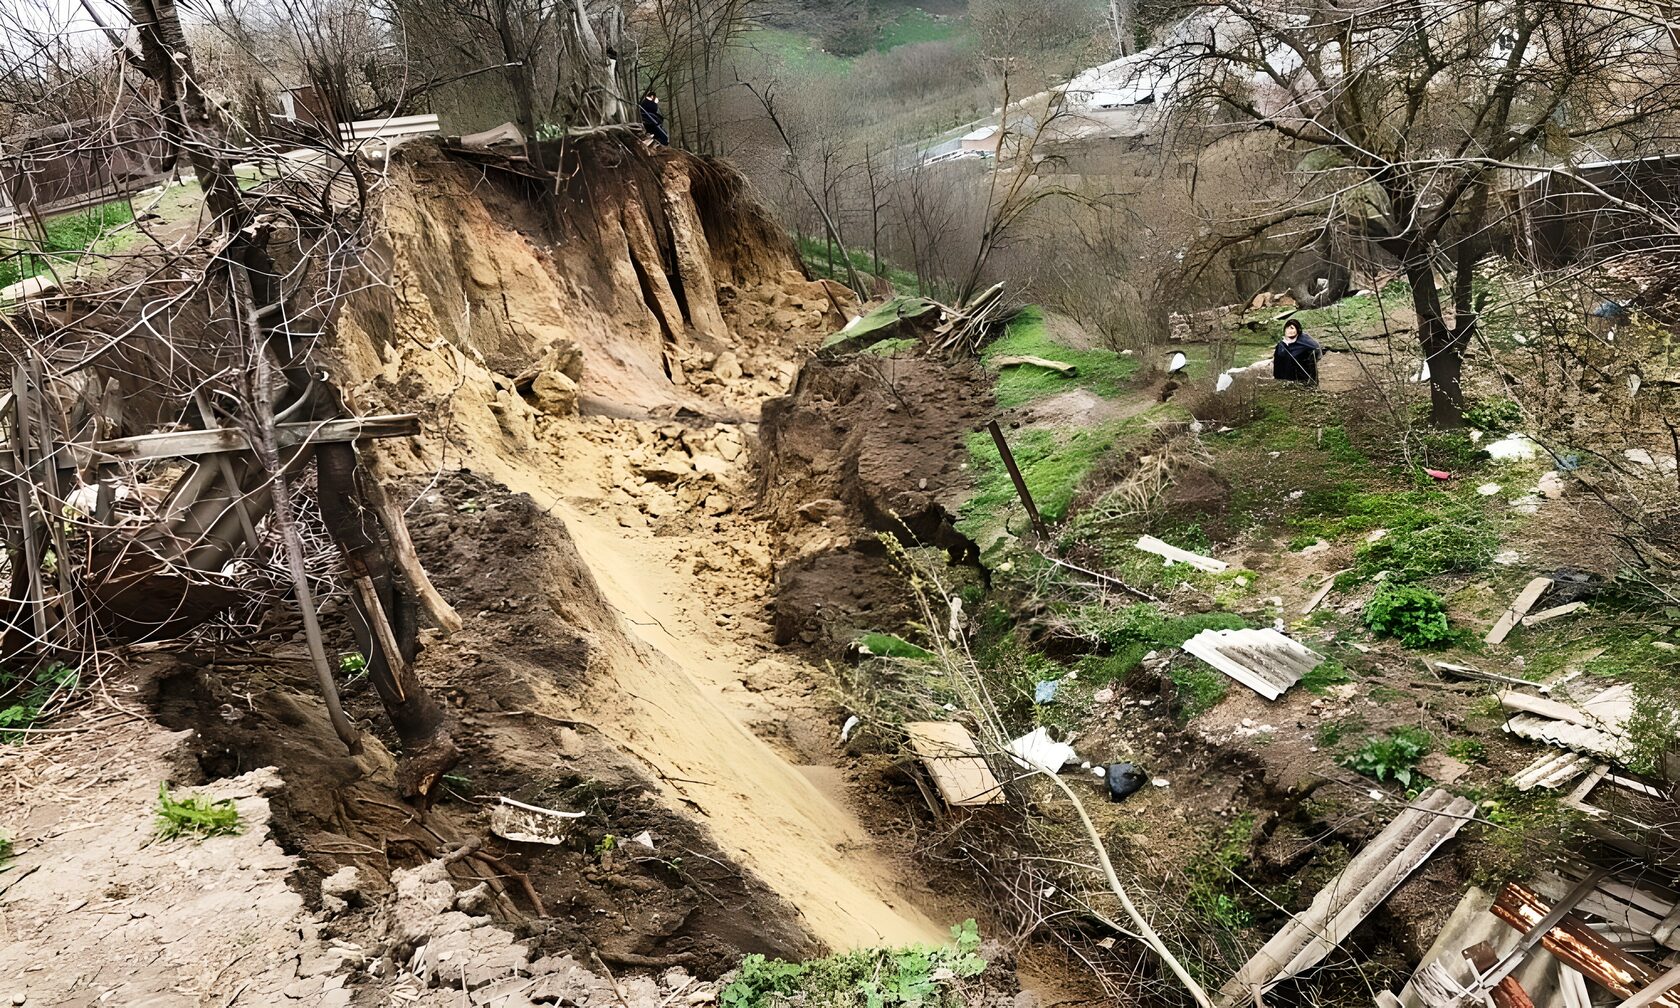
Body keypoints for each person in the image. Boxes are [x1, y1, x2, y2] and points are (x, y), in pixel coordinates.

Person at [1272, 319, 1322, 385]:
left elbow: (1316, 349)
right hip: (1282, 380)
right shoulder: (1281, 345)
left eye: (1292, 328)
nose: (1290, 331)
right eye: (1287, 328)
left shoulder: (1304, 343)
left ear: (1297, 330)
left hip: (1300, 381)